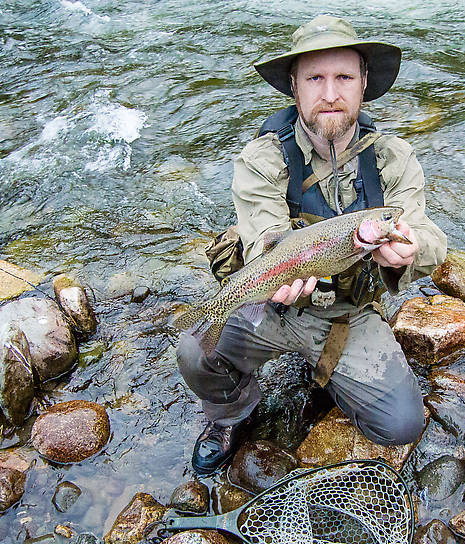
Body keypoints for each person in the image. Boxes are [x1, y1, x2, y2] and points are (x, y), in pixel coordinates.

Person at [177, 15, 447, 475]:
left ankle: (330, 375)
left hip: (347, 316)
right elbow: (264, 237)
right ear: (294, 87)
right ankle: (230, 415)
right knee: (193, 352)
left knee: (403, 424)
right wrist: (272, 268)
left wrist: (410, 248)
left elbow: (429, 237)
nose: (329, 93)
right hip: (273, 303)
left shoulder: (393, 158)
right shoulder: (261, 157)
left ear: (364, 82)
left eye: (343, 77)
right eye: (314, 79)